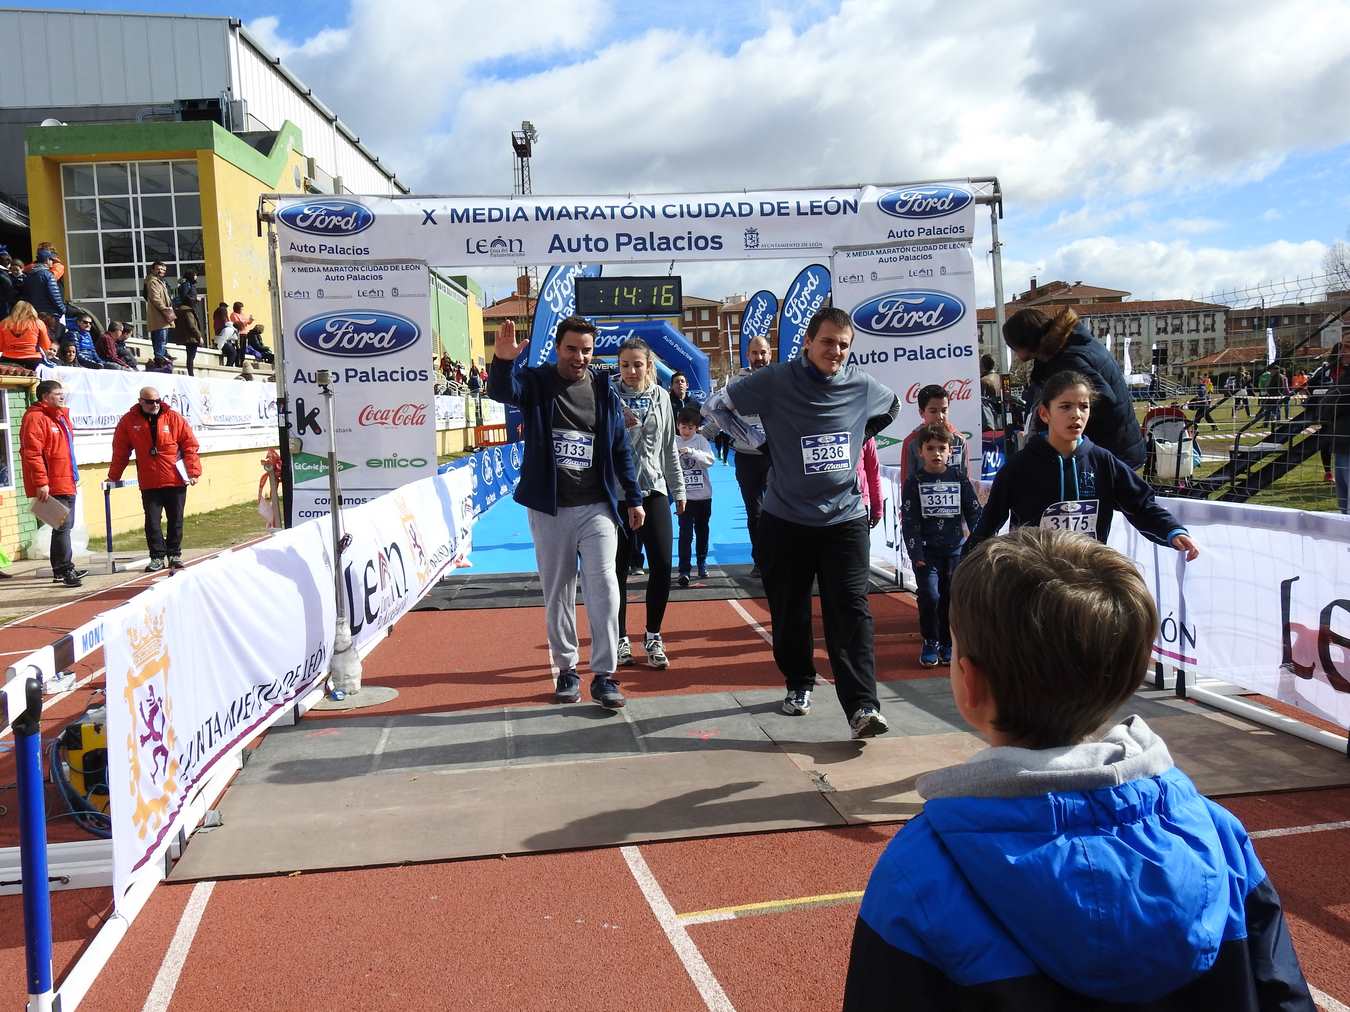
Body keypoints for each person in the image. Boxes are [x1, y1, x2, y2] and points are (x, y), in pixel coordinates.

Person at [843, 528, 1314, 1010]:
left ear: (969, 681)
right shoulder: (1217, 832)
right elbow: (1284, 993)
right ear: (1128, 674)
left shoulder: (919, 868)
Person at [704, 306, 900, 739]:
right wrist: (754, 439)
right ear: (807, 341)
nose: (836, 351)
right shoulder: (775, 380)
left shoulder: (860, 386)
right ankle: (799, 682)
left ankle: (863, 705)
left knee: (850, 609)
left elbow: (893, 406)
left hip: (845, 518)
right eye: (828, 342)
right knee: (790, 611)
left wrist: (859, 435)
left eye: (844, 346)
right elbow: (716, 405)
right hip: (786, 520)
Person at [487, 316, 643, 710]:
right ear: (558, 348)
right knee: (558, 591)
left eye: (586, 350)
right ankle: (567, 669)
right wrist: (503, 361)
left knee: (605, 587)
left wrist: (635, 497)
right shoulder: (537, 382)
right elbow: (503, 391)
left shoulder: (605, 390)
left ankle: (605, 674)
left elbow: (621, 447)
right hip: (551, 508)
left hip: (597, 507)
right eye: (572, 348)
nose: (579, 356)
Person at [968, 371, 1200, 560]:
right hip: (1032, 579)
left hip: (1087, 580)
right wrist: (967, 564)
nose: (1076, 415)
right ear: (1045, 413)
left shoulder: (1103, 462)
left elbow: (1140, 505)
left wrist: (1171, 530)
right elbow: (990, 521)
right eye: (1065, 406)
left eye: (1083, 406)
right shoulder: (1018, 467)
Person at [613, 337, 685, 670]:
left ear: (649, 365)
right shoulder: (608, 396)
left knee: (662, 564)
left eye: (637, 364)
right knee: (617, 571)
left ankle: (653, 634)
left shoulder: (662, 398)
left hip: (655, 491)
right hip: (617, 495)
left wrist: (679, 489)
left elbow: (669, 447)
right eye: (624, 364)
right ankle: (620, 638)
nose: (630, 370)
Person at [1003, 306, 1146, 468]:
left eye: (1014, 348)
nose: (1016, 355)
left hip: (1110, 453)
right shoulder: (1070, 345)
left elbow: (1102, 398)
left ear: (1026, 342)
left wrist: (1064, 427)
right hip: (1116, 448)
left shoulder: (1067, 358)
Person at [901, 423, 981, 668]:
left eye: (942, 448)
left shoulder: (958, 478)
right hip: (926, 552)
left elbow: (974, 512)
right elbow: (909, 519)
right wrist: (915, 552)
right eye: (930, 448)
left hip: (954, 551)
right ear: (920, 451)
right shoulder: (914, 481)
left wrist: (977, 544)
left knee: (950, 597)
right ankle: (930, 640)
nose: (936, 453)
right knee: (930, 595)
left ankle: (948, 642)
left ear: (950, 451)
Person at [107, 386, 202, 572]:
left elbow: (190, 446)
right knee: (152, 522)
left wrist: (193, 472)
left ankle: (174, 554)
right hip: (149, 481)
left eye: (158, 400)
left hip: (175, 479)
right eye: (150, 402)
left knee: (176, 519)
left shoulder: (174, 418)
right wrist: (113, 476)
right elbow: (120, 451)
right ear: (140, 401)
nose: (155, 404)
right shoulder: (128, 421)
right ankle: (157, 556)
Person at [20, 379, 88, 587]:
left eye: (62, 393)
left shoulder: (59, 417)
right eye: (57, 393)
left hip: (66, 479)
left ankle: (60, 568)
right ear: (44, 397)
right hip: (52, 483)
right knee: (62, 526)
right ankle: (65, 569)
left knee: (64, 526)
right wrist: (41, 482)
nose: (62, 396)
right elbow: (32, 453)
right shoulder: (35, 418)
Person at [723, 335, 773, 575]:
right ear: (748, 356)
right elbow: (721, 413)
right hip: (746, 457)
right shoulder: (736, 383)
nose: (759, 358)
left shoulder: (779, 379)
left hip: (774, 457)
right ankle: (760, 561)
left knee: (779, 511)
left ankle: (780, 559)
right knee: (754, 512)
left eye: (763, 353)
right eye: (754, 353)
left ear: (770, 354)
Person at [675, 405, 715, 587]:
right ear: (678, 426)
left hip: (703, 497)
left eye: (690, 428)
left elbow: (710, 461)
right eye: (683, 427)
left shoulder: (700, 440)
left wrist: (692, 452)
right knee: (685, 534)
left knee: (702, 531)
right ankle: (684, 569)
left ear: (696, 428)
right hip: (684, 497)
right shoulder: (674, 441)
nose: (686, 431)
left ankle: (701, 562)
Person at [898, 383, 967, 486]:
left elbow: (965, 479)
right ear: (921, 412)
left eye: (944, 410)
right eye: (933, 411)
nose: (940, 416)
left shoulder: (959, 439)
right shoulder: (911, 442)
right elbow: (906, 483)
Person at [1321, 341, 1350, 514]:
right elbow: (1326, 406)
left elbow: (1332, 403)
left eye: (1348, 347)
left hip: (1346, 446)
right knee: (1344, 509)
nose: (1342, 352)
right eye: (1342, 347)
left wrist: (1332, 403)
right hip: (1341, 447)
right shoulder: (1344, 376)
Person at [0, 300, 51, 369]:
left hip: (8, 359)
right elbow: (46, 345)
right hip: (32, 360)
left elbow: (1, 347)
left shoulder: (4, 323)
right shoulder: (38, 323)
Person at [21, 248, 66, 323]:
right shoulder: (48, 275)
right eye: (51, 260)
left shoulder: (29, 275)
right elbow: (55, 297)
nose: (52, 262)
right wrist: (63, 309)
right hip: (49, 315)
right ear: (47, 260)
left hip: (34, 314)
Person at [142, 261, 175, 362]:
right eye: (158, 269)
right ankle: (159, 357)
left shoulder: (160, 281)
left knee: (161, 337)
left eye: (163, 270)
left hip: (161, 314)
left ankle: (162, 354)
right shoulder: (153, 281)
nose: (161, 271)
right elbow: (155, 298)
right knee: (161, 337)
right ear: (152, 270)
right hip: (159, 315)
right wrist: (165, 309)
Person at [174, 287, 203, 376]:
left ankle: (190, 372)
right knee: (191, 356)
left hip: (186, 336)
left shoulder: (181, 310)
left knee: (190, 356)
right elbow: (192, 326)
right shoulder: (188, 311)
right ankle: (191, 373)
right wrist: (199, 337)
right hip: (191, 337)